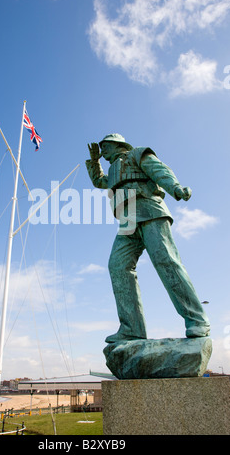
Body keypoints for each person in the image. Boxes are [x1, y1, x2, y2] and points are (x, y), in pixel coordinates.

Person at [86, 133, 210, 343]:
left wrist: (175, 188)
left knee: (167, 262)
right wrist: (95, 161)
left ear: (117, 145)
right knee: (118, 266)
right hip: (127, 221)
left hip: (150, 210)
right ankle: (131, 329)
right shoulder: (112, 169)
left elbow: (159, 170)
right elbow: (100, 182)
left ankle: (197, 320)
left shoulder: (136, 154)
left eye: (105, 147)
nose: (103, 150)